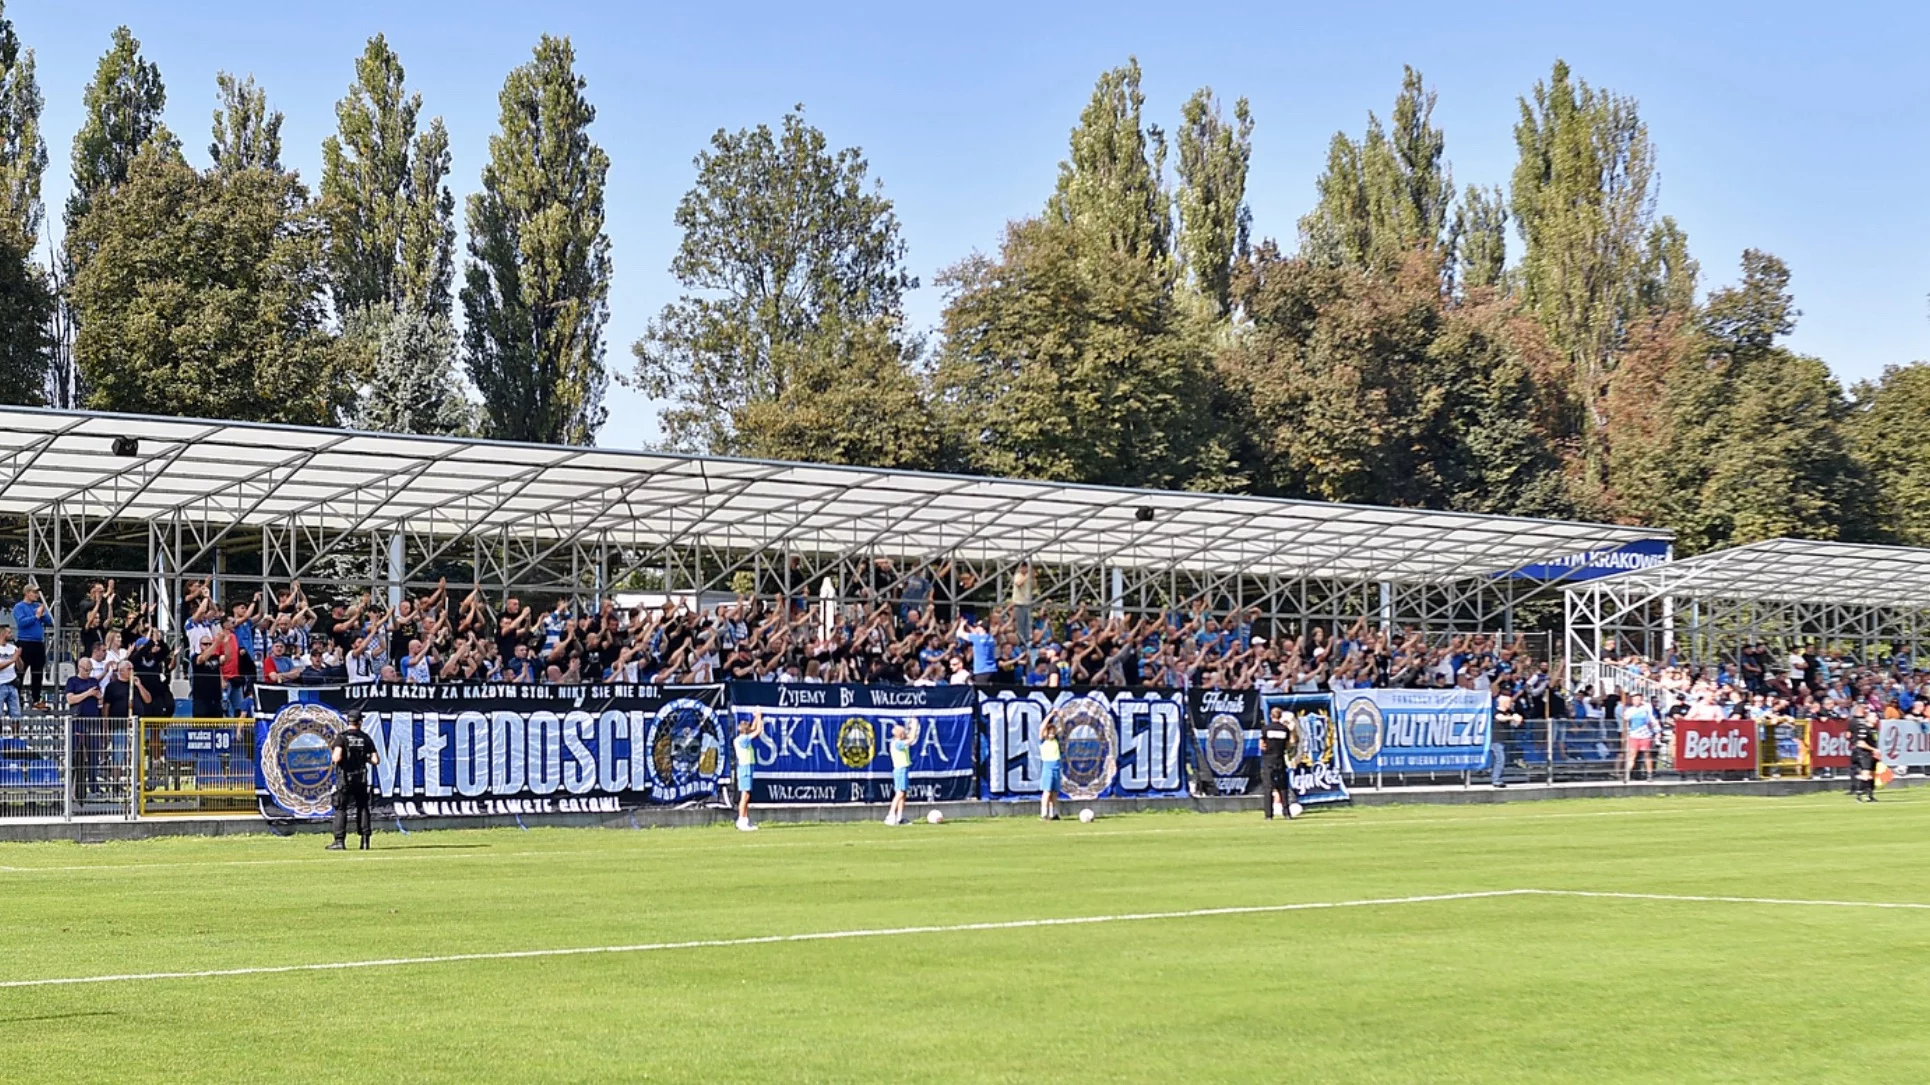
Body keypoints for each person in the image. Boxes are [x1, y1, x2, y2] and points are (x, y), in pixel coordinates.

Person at [328, 711, 380, 851]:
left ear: (348, 721)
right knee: (363, 808)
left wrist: (334, 756)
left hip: (345, 778)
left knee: (340, 809)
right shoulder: (366, 738)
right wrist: (364, 758)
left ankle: (339, 841)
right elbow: (376, 760)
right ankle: (364, 841)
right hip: (361, 779)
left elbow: (337, 758)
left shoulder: (341, 738)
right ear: (360, 722)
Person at [1260, 705, 1301, 819]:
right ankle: (1286, 813)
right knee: (1283, 787)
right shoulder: (1284, 730)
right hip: (1280, 759)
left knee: (1268, 787)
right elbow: (1288, 745)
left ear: (1271, 716)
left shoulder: (1266, 729)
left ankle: (1269, 815)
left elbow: (1262, 745)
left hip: (1268, 760)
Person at [12, 583, 47, 710]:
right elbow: (21, 623)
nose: (37, 595)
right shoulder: (19, 607)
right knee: (20, 672)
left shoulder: (37, 606)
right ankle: (15, 698)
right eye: (34, 592)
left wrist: (43, 614)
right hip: (25, 642)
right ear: (27, 593)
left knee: (37, 673)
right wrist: (36, 616)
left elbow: (48, 621)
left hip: (38, 643)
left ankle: (37, 700)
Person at [734, 707, 767, 832]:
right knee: (745, 795)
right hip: (745, 768)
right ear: (745, 731)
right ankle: (741, 820)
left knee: (746, 795)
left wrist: (756, 718)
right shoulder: (743, 739)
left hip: (746, 767)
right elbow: (758, 731)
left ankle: (745, 820)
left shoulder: (742, 737)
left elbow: (753, 729)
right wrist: (758, 715)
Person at [884, 719, 923, 826]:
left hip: (903, 769)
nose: (905, 733)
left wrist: (912, 728)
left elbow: (910, 738)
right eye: (903, 732)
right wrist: (914, 726)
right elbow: (911, 739)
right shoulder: (897, 744)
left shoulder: (899, 742)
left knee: (903, 793)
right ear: (900, 735)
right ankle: (890, 815)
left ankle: (899, 817)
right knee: (899, 793)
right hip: (900, 770)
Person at [1621, 696, 1658, 783]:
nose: (1636, 701)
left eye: (1638, 699)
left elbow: (1651, 720)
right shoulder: (1630, 710)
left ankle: (1649, 774)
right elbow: (1626, 720)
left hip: (1645, 735)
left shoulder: (1646, 709)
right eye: (1634, 700)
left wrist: (1654, 730)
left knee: (1647, 755)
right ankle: (1627, 774)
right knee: (1632, 755)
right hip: (1634, 735)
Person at [1490, 694, 1524, 789]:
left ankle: (1498, 777)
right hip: (1496, 740)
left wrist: (1518, 720)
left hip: (1505, 740)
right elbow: (1499, 717)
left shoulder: (1509, 712)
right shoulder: (1497, 711)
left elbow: (1514, 724)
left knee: (1501, 760)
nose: (1511, 703)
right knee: (1500, 759)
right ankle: (1496, 780)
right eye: (1509, 702)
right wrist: (1512, 718)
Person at [1848, 708, 1879, 803]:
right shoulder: (1864, 729)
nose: (1876, 718)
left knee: (1872, 775)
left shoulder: (1874, 729)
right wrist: (1874, 749)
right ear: (1868, 718)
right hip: (1864, 754)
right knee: (1865, 774)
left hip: (1872, 754)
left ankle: (1870, 795)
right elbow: (1861, 743)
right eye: (1874, 716)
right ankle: (1859, 795)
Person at [1038, 719, 1063, 821]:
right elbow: (1042, 727)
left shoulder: (1056, 741)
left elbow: (1062, 727)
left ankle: (1054, 814)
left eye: (1053, 733)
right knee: (1047, 792)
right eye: (1049, 733)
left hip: (1056, 767)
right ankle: (1044, 813)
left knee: (1054, 793)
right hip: (1048, 768)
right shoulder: (1043, 742)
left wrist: (1060, 717)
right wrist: (1051, 715)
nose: (1051, 735)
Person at [0, 624, 18, 722]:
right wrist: (12, 660)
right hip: (0, 684)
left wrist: (18, 658)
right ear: (2, 634)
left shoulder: (12, 648)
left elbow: (20, 667)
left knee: (16, 715)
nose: (11, 634)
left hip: (12, 684)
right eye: (9, 632)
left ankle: (16, 737)